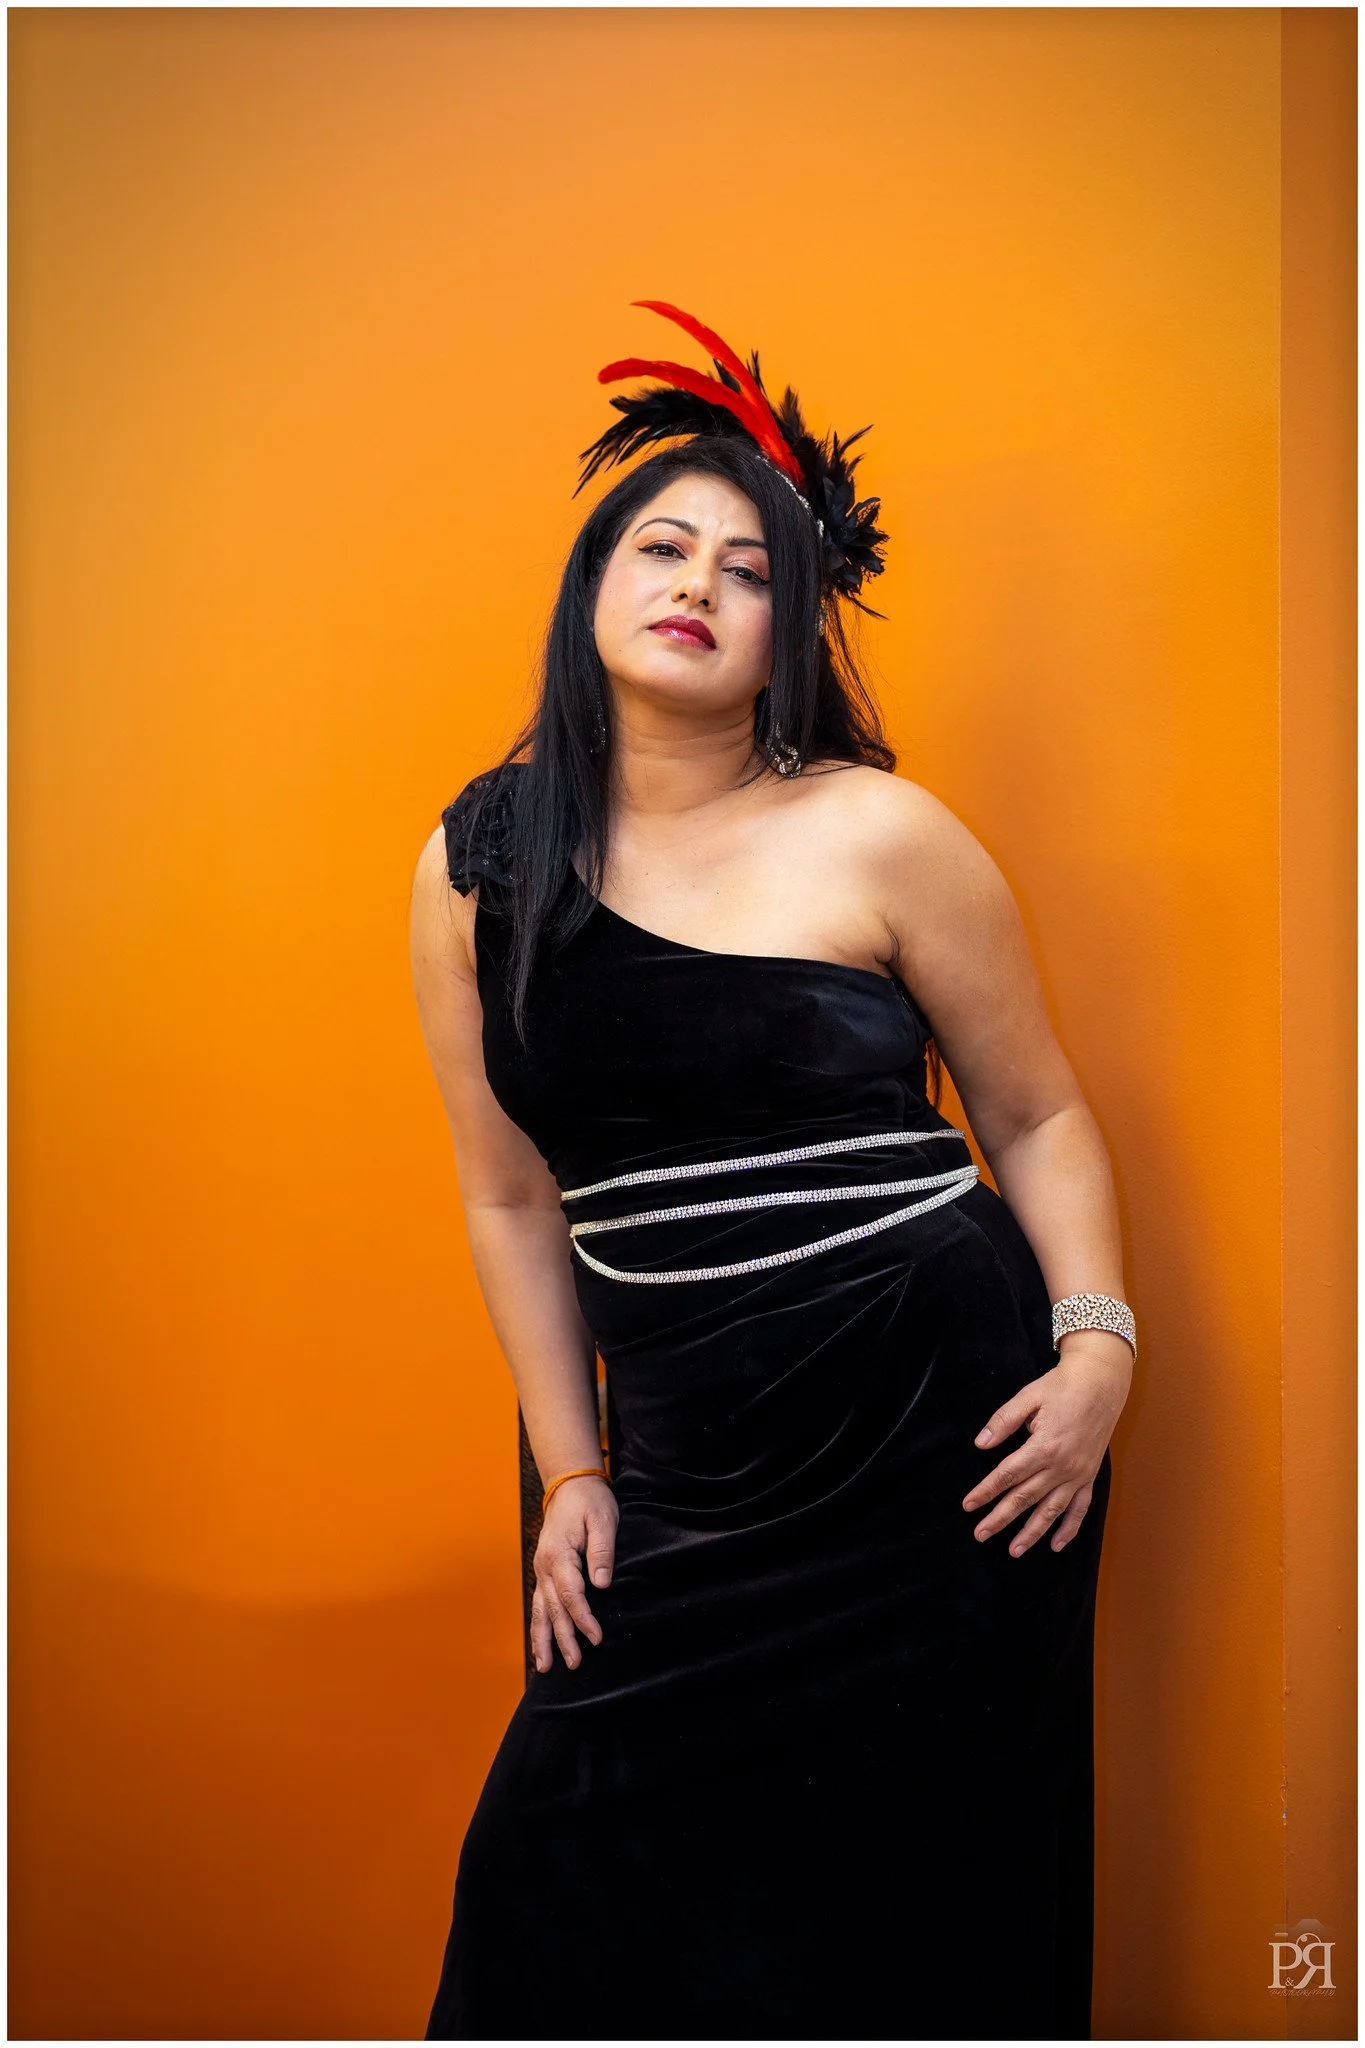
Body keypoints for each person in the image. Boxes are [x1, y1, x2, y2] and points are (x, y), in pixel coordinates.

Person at [409, 302, 1133, 2040]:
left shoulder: (879, 829)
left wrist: (1100, 1345)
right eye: (662, 545)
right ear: (592, 589)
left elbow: (1036, 1115)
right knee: (555, 1911)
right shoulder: (476, 856)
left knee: (919, 1920)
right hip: (683, 1469)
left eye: (746, 568)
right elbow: (510, 1194)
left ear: (786, 634)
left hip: (945, 1459)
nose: (696, 582)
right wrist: (573, 1472)